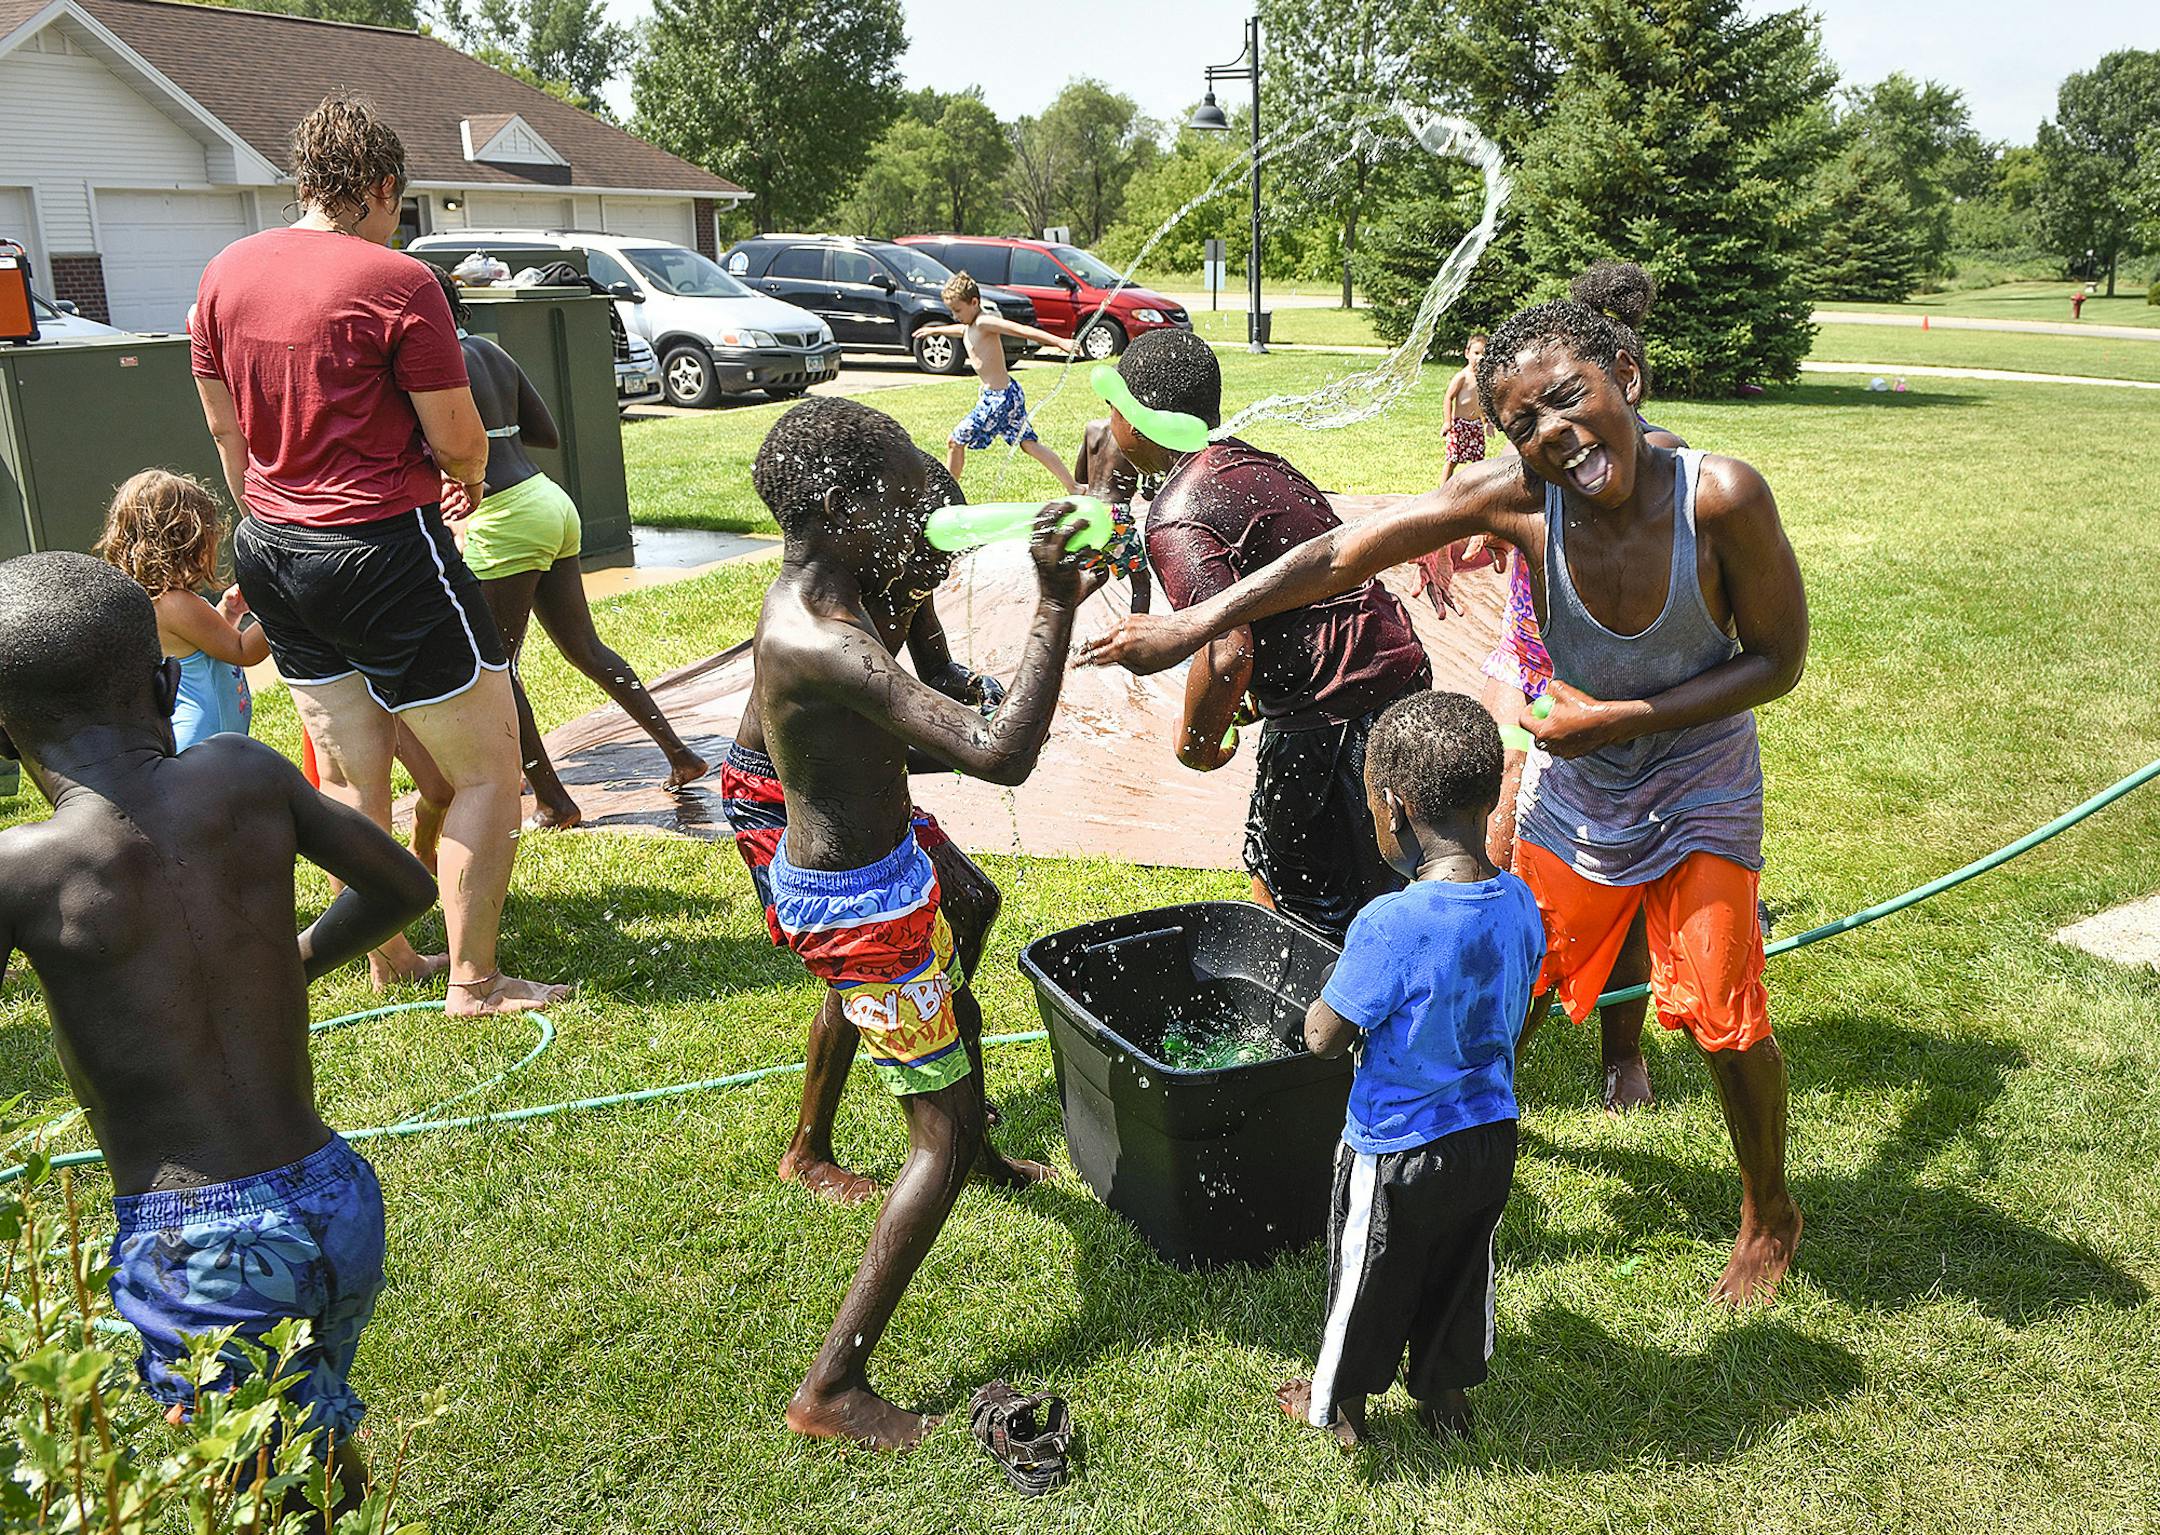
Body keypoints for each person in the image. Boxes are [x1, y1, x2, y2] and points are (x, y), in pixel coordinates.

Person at [1079, 292, 1809, 1304]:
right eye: (1523, 423)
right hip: (1583, 787)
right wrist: (1193, 621)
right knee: (1505, 973)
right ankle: (1454, 1160)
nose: (1551, 432)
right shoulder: (1513, 496)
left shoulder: (1719, 496)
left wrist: (1620, 717)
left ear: (1626, 380)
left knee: (1729, 1015)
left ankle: (1769, 1211)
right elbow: (1340, 554)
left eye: (1567, 399)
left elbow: (1779, 661)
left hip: (1701, 782)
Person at [0, 553, 438, 1511]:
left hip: (197, 1244)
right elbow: (405, 887)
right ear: (164, 681)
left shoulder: (21, 870)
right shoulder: (244, 772)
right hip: (335, 1195)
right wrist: (298, 957)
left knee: (241, 1486)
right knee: (305, 1432)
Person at [749, 396, 1086, 1448]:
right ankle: (831, 1388)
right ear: (845, 508)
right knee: (929, 1142)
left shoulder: (844, 586)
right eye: (902, 495)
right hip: (859, 910)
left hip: (880, 875)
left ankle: (976, 1147)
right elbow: (996, 753)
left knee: (959, 981)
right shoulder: (824, 640)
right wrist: (1056, 603)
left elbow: (938, 690)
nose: (924, 509)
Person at [188, 94, 564, 1014]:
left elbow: (224, 434)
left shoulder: (224, 272)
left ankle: (386, 954)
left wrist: (275, 520)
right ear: (383, 186)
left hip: (273, 548)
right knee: (488, 771)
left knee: (358, 774)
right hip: (381, 549)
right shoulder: (398, 282)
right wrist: (468, 479)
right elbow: (459, 435)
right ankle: (474, 980)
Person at [721, 452, 1010, 1204]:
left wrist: (980, 696)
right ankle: (809, 1148)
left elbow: (938, 680)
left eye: (945, 556)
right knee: (862, 955)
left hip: (856, 783)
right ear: (878, 536)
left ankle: (929, 1044)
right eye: (926, 553)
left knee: (970, 903)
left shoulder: (907, 585)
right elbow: (851, 742)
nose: (935, 572)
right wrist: (981, 743)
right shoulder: (836, 617)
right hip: (781, 791)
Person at [1277, 690, 1541, 1447]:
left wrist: (1314, 1012)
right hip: (1490, 1136)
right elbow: (1512, 1016)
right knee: (1461, 1268)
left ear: (1393, 809)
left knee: (1366, 1278)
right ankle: (1447, 1400)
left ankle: (1341, 1410)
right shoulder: (1520, 903)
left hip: (1394, 1147)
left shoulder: (1389, 922)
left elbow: (1325, 1035)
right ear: (1489, 797)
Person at [1111, 328, 1433, 944]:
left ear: (1138, 417)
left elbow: (1226, 649)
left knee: (1294, 907)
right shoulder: (1251, 461)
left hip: (1330, 722)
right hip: (1401, 681)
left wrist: (1198, 743)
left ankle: (1313, 1032)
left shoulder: (1175, 514)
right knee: (1402, 877)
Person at [430, 269, 708, 831]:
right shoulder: (490, 351)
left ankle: (555, 802)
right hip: (547, 500)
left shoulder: (431, 371)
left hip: (501, 517)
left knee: (497, 669)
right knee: (585, 647)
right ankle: (681, 753)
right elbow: (546, 433)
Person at [95, 468, 266, 752]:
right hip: (207, 741)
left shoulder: (153, 600)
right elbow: (242, 651)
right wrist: (284, 610)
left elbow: (205, 649)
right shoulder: (175, 603)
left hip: (200, 738)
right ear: (186, 539)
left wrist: (228, 613)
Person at [918, 272, 1081, 492]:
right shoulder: (970, 326)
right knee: (1029, 444)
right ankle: (1074, 487)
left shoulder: (985, 322)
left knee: (955, 441)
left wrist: (1060, 342)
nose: (955, 316)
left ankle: (946, 494)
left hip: (998, 399)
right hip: (1007, 393)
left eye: (957, 310)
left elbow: (1022, 330)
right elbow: (960, 330)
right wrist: (934, 330)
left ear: (974, 302)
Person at [1073, 415, 1153, 613]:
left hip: (1088, 513)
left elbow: (1080, 476)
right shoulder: (1133, 434)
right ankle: (1137, 640)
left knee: (1097, 574)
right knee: (1141, 584)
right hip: (1114, 516)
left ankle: (1060, 613)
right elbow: (1150, 489)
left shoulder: (1092, 427)